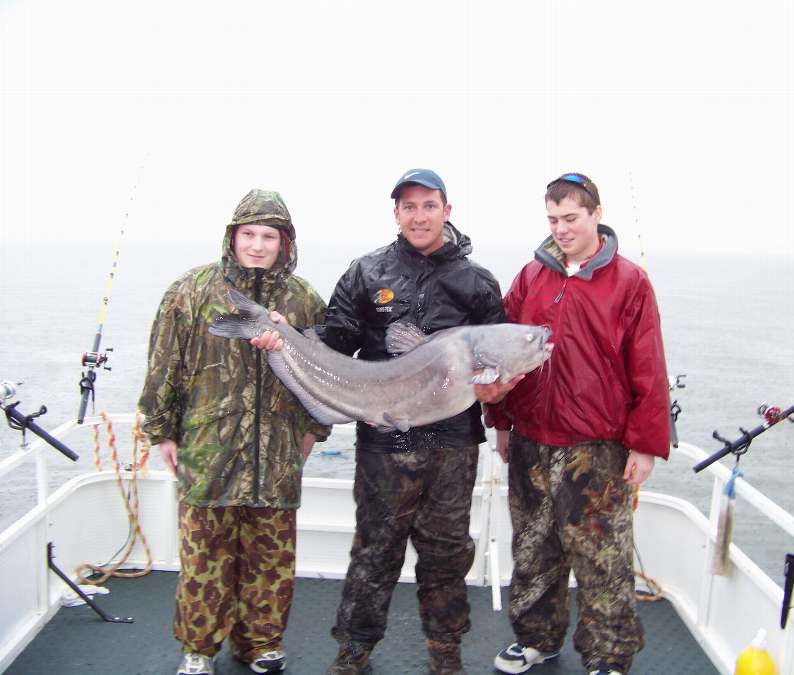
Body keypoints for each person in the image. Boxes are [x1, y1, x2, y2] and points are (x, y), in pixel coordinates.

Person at [253, 168, 512, 675]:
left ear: (447, 211)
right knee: (374, 550)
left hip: (453, 443)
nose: (419, 216)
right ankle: (354, 649)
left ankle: (446, 653)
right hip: (384, 440)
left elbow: (497, 359)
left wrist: (499, 394)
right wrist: (288, 338)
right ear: (396, 214)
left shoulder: (478, 283)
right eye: (408, 207)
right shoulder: (366, 272)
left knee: (447, 554)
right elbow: (335, 338)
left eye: (429, 205)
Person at [484, 173, 671, 675]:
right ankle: (536, 639)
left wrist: (645, 445)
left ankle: (608, 656)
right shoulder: (531, 276)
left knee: (601, 556)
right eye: (553, 219)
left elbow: (648, 365)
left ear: (595, 215)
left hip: (596, 446)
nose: (561, 229)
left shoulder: (629, 281)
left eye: (571, 218)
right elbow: (501, 353)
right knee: (533, 548)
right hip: (530, 441)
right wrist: (500, 420)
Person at [138, 189, 331, 675]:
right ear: (233, 236)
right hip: (209, 452)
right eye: (249, 234)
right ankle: (199, 649)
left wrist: (313, 432)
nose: (259, 245)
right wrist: (163, 431)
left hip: (277, 455)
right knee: (204, 561)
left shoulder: (304, 300)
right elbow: (165, 366)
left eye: (270, 236)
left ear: (285, 243)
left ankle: (261, 644)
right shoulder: (191, 291)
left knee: (270, 559)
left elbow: (327, 372)